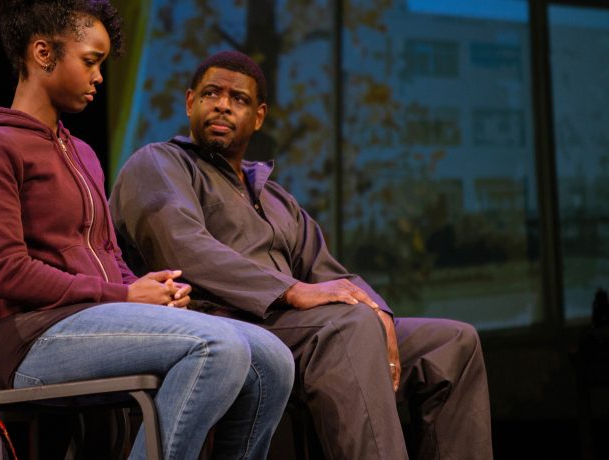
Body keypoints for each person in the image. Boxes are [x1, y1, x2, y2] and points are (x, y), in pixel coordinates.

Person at [110, 50, 493, 460]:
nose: (222, 104)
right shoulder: (160, 162)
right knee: (347, 326)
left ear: (258, 117)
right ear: (190, 103)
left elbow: (330, 274)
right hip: (223, 324)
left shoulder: (275, 198)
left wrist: (379, 310)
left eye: (237, 98)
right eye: (211, 94)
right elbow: (184, 247)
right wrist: (290, 290)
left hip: (294, 327)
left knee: (452, 342)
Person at [0, 4, 295, 459]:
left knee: (274, 359)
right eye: (90, 61)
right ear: (42, 53)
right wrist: (126, 298)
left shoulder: (84, 154)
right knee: (219, 345)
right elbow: (8, 274)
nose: (98, 77)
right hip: (36, 339)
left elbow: (109, 256)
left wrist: (150, 289)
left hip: (95, 323)